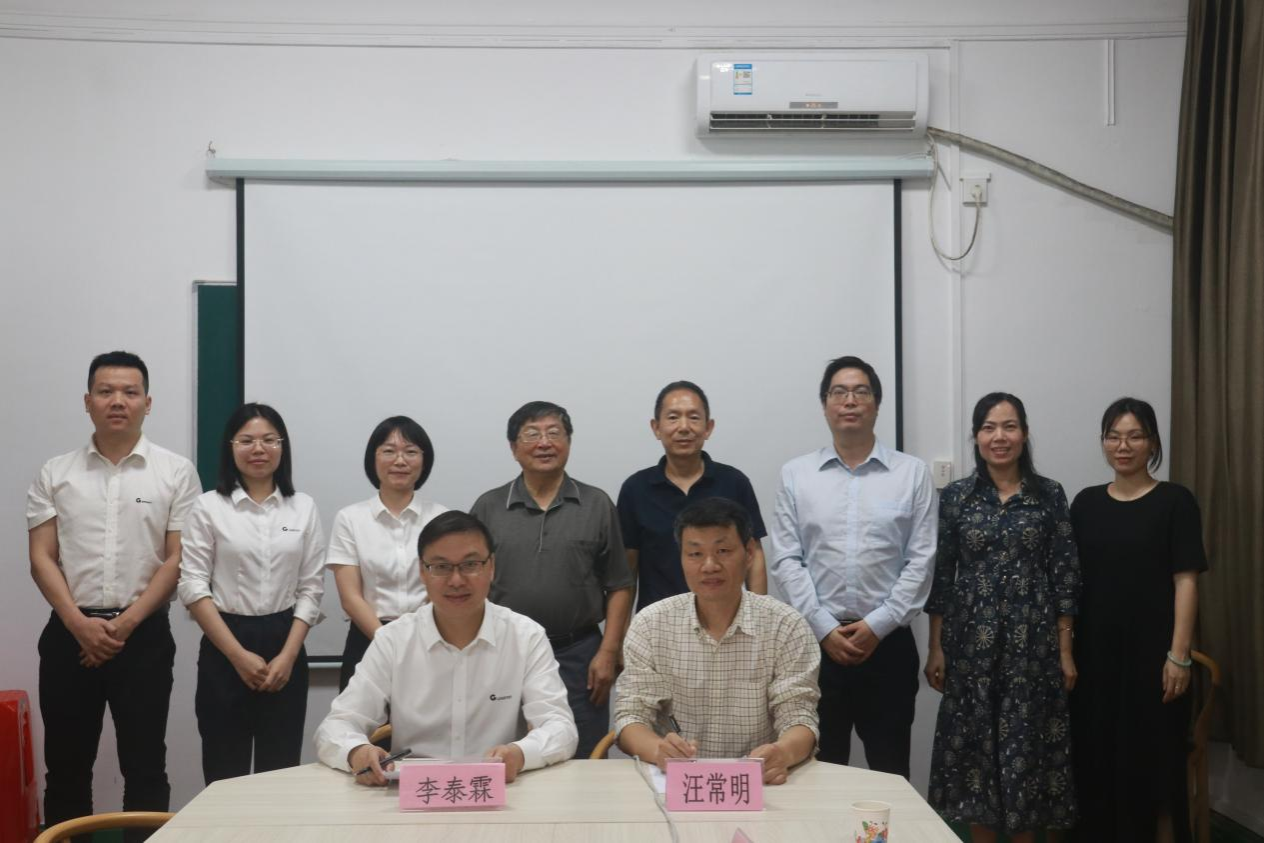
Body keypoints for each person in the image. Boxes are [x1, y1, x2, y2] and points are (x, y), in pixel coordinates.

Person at [27, 351, 201, 840]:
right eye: (106, 392)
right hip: (69, 635)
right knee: (66, 769)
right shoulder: (55, 472)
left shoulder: (176, 472)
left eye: (129, 392)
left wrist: (124, 625)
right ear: (88, 402)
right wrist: (79, 625)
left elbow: (177, 558)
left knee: (145, 768)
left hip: (143, 638)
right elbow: (41, 558)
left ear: (148, 402)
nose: (118, 401)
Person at [314, 510, 578, 784]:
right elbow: (337, 724)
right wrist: (356, 751)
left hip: (500, 790)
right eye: (441, 567)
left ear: (491, 567)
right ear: (422, 571)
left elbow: (559, 726)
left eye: (470, 564)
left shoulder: (525, 636)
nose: (456, 580)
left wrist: (520, 754)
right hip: (416, 792)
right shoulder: (394, 640)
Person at [770, 355, 936, 778]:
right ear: (824, 404)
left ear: (877, 404)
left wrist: (878, 625)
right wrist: (823, 627)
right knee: (815, 771)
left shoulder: (912, 474)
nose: (849, 401)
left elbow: (921, 560)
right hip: (815, 646)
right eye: (839, 392)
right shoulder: (796, 474)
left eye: (860, 392)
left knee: (890, 771)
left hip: (888, 645)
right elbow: (787, 559)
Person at [924, 392, 1079, 841]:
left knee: (1026, 756)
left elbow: (1065, 575)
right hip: (971, 650)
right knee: (976, 760)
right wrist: (936, 648)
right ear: (976, 436)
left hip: (1033, 651)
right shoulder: (957, 497)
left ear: (1024, 434)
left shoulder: (1049, 495)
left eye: (1009, 426)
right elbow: (943, 578)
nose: (999, 437)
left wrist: (1065, 650)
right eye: (989, 427)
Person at [1069, 397, 1207, 843]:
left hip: (1155, 662)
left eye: (1134, 436)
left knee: (1157, 770)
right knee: (1097, 764)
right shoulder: (1085, 503)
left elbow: (1186, 581)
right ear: (1103, 442)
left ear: (1152, 443)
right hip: (1095, 661)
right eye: (1113, 436)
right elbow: (1069, 584)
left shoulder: (1175, 501)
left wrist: (1179, 656)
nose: (1123, 446)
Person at [614, 497, 819, 784]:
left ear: (749, 553)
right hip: (675, 784)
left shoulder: (786, 625)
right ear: (681, 557)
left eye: (723, 551)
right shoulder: (651, 624)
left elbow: (799, 715)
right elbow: (631, 716)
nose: (709, 566)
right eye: (695, 554)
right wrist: (659, 750)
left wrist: (782, 753)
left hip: (759, 784)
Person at [470, 401, 633, 759]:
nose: (544, 443)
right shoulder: (489, 507)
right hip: (504, 652)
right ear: (514, 448)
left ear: (568, 442)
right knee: (502, 756)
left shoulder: (596, 504)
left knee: (582, 757)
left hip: (578, 655)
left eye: (554, 433)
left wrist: (609, 651)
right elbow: (470, 583)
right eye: (532, 434)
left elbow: (619, 584)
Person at [178, 402, 325, 785]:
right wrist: (237, 656)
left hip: (285, 642)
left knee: (280, 772)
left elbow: (311, 587)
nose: (258, 449)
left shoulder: (303, 507)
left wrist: (288, 656)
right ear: (230, 447)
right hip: (225, 643)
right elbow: (192, 585)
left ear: (282, 447)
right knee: (224, 772)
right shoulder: (208, 507)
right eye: (246, 440)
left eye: (269, 440)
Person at [617, 381, 768, 610]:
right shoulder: (635, 489)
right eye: (673, 417)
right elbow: (627, 570)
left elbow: (754, 555)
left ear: (708, 427)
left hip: (725, 616)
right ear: (656, 427)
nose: (684, 427)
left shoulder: (734, 483)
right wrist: (625, 630)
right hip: (659, 620)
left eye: (694, 417)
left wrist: (759, 615)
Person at [327, 416, 448, 690]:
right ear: (373, 458)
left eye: (411, 452)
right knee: (362, 718)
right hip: (368, 639)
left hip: (430, 638)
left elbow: (442, 588)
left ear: (424, 461)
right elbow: (350, 598)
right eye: (389, 451)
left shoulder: (441, 518)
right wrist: (388, 642)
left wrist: (415, 637)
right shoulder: (350, 519)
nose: (400, 461)